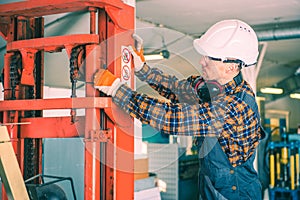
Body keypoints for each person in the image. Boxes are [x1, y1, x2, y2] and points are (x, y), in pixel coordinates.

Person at [94, 19, 265, 200]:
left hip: (235, 194)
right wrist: (143, 70)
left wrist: (117, 90)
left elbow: (171, 118)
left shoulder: (236, 107)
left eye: (210, 58)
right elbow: (178, 89)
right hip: (211, 185)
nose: (202, 61)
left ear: (231, 66)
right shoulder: (213, 87)